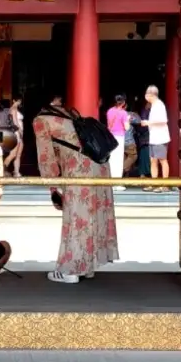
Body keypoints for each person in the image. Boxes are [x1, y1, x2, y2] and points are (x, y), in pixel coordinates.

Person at [34, 104, 119, 284]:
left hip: (79, 168)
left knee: (76, 218)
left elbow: (46, 157)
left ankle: (70, 270)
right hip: (99, 164)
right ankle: (87, 267)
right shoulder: (68, 112)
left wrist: (52, 188)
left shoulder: (40, 120)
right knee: (92, 215)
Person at [142, 85, 170, 192]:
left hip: (160, 138)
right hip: (153, 138)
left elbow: (163, 120)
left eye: (146, 94)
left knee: (162, 160)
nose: (145, 96)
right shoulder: (153, 105)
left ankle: (165, 185)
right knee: (153, 160)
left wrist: (148, 122)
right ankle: (154, 183)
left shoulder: (159, 105)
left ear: (151, 94)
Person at [106, 95, 129, 190]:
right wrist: (128, 120)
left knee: (111, 159)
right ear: (123, 103)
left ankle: (110, 182)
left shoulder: (109, 111)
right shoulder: (123, 113)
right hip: (119, 137)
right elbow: (127, 127)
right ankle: (117, 183)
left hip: (111, 136)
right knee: (119, 160)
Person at [3, 95, 24, 178]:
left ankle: (16, 172)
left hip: (18, 132)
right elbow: (15, 123)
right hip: (16, 132)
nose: (19, 102)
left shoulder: (12, 109)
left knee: (18, 154)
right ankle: (2, 169)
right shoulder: (13, 109)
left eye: (20, 101)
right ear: (13, 100)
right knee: (13, 154)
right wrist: (20, 132)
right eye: (18, 101)